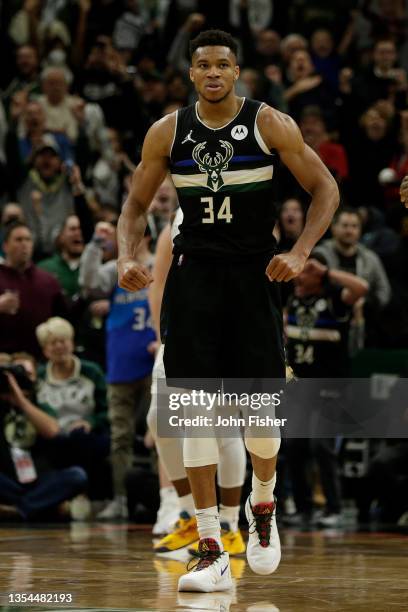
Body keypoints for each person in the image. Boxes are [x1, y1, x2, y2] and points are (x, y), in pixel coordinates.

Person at [117, 29, 339, 593]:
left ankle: (262, 506)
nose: (213, 72)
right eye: (203, 65)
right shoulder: (167, 132)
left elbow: (326, 189)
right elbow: (136, 204)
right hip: (195, 280)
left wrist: (300, 251)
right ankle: (209, 546)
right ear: (190, 74)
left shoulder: (269, 124)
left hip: (254, 278)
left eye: (222, 64)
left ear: (237, 71)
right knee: (193, 411)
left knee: (258, 416)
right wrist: (126, 255)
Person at [0, 352, 88, 520]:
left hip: (39, 479)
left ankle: (19, 510)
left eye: (26, 373)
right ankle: (41, 506)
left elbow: (53, 431)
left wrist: (20, 400)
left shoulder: (41, 402)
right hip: (8, 481)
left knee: (77, 476)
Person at [0, 222, 67, 358]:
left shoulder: (48, 281)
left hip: (42, 360)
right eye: (18, 239)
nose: (24, 244)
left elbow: (62, 318)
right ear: (5, 246)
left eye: (28, 239)